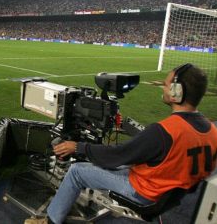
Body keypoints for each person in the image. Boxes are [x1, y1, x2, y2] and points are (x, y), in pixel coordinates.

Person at [25, 63, 217, 224]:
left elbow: (116, 155)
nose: (164, 89)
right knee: (117, 162)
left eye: (167, 85)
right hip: (169, 192)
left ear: (178, 91)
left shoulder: (164, 131)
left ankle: (50, 220)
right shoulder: (212, 131)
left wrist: (78, 147)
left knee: (77, 171)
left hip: (145, 192)